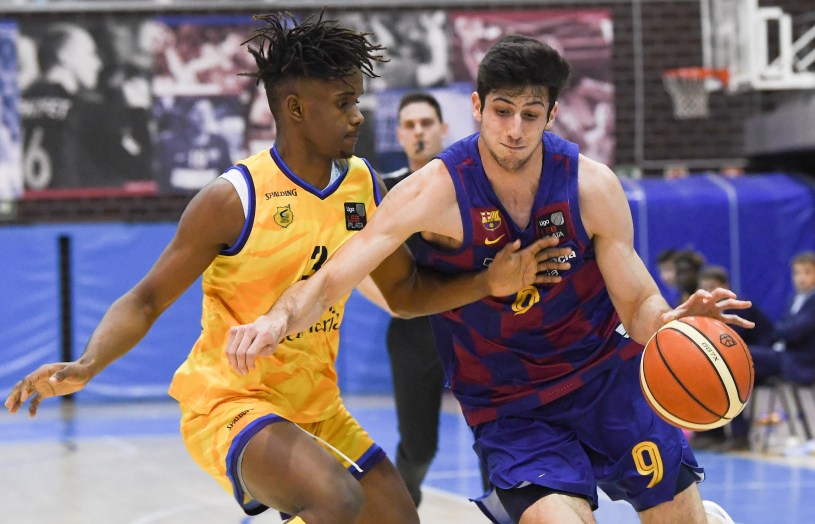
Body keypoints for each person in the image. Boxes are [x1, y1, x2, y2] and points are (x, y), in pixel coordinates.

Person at [4, 14, 568, 524]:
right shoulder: (234, 199)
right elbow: (146, 298)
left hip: (317, 405)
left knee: (398, 519)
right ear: (296, 109)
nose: (358, 114)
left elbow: (403, 293)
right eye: (343, 102)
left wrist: (487, 283)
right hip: (231, 402)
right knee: (335, 500)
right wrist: (88, 363)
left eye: (357, 99)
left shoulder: (363, 185)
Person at [223, 35, 754, 524]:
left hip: (604, 380)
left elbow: (636, 302)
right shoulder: (435, 191)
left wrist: (669, 321)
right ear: (478, 107)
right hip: (511, 404)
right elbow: (335, 275)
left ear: (552, 115)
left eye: (530, 114)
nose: (515, 129)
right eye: (502, 111)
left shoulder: (591, 186)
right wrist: (277, 320)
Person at [693, 264, 774, 451]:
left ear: (725, 287)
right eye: (704, 288)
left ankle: (740, 435)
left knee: (728, 372)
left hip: (763, 359)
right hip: (743, 359)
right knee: (706, 372)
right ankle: (711, 432)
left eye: (712, 287)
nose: (708, 293)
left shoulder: (738, 307)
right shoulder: (704, 310)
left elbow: (729, 343)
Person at [19, 22, 104, 189]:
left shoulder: (12, 106)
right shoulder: (85, 110)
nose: (98, 63)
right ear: (65, 56)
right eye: (91, 53)